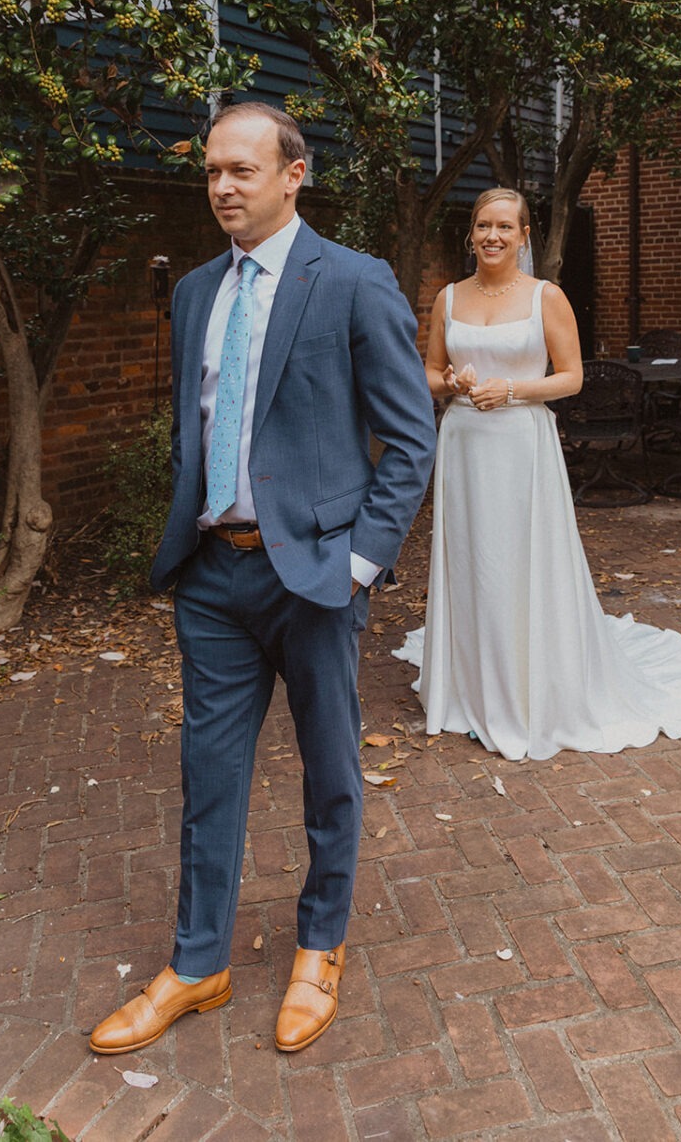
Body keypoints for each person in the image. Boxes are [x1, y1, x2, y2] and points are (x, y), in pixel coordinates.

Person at [90, 101, 436, 1057]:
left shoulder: (356, 284)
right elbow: (193, 424)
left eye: (242, 170)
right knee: (210, 777)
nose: (223, 187)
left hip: (317, 579)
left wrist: (359, 565)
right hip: (212, 577)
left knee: (331, 772)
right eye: (212, 172)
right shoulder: (196, 290)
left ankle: (319, 945)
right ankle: (198, 963)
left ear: (294, 175)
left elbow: (410, 440)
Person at [399, 186, 681, 761]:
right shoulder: (447, 298)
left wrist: (512, 388)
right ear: (471, 234)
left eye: (505, 227)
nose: (492, 236)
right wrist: (455, 383)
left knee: (522, 557)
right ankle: (473, 683)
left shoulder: (547, 296)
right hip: (465, 443)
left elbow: (572, 378)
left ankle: (531, 683)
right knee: (473, 558)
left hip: (522, 443)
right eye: (482, 226)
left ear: (523, 237)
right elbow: (430, 373)